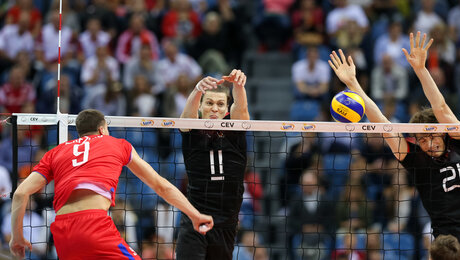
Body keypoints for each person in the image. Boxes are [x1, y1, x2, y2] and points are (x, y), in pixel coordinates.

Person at [9, 109, 213, 259]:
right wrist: (195, 214)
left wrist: (16, 237)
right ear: (102, 129)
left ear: (80, 132)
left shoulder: (55, 152)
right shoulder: (117, 144)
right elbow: (161, 186)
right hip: (93, 225)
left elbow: (20, 194)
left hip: (62, 232)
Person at [328, 31, 460, 241]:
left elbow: (441, 108)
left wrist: (420, 69)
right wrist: (353, 85)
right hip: (446, 241)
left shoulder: (457, 140)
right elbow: (382, 123)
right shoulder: (417, 160)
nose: (429, 144)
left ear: (443, 132)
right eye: (422, 140)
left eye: (432, 136)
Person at [177, 69, 249, 260]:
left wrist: (239, 87)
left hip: (226, 222)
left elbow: (241, 110)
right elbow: (186, 119)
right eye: (209, 103)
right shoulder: (192, 131)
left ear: (226, 110)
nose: (214, 109)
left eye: (220, 104)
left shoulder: (235, 132)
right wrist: (197, 90)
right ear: (201, 108)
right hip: (196, 218)